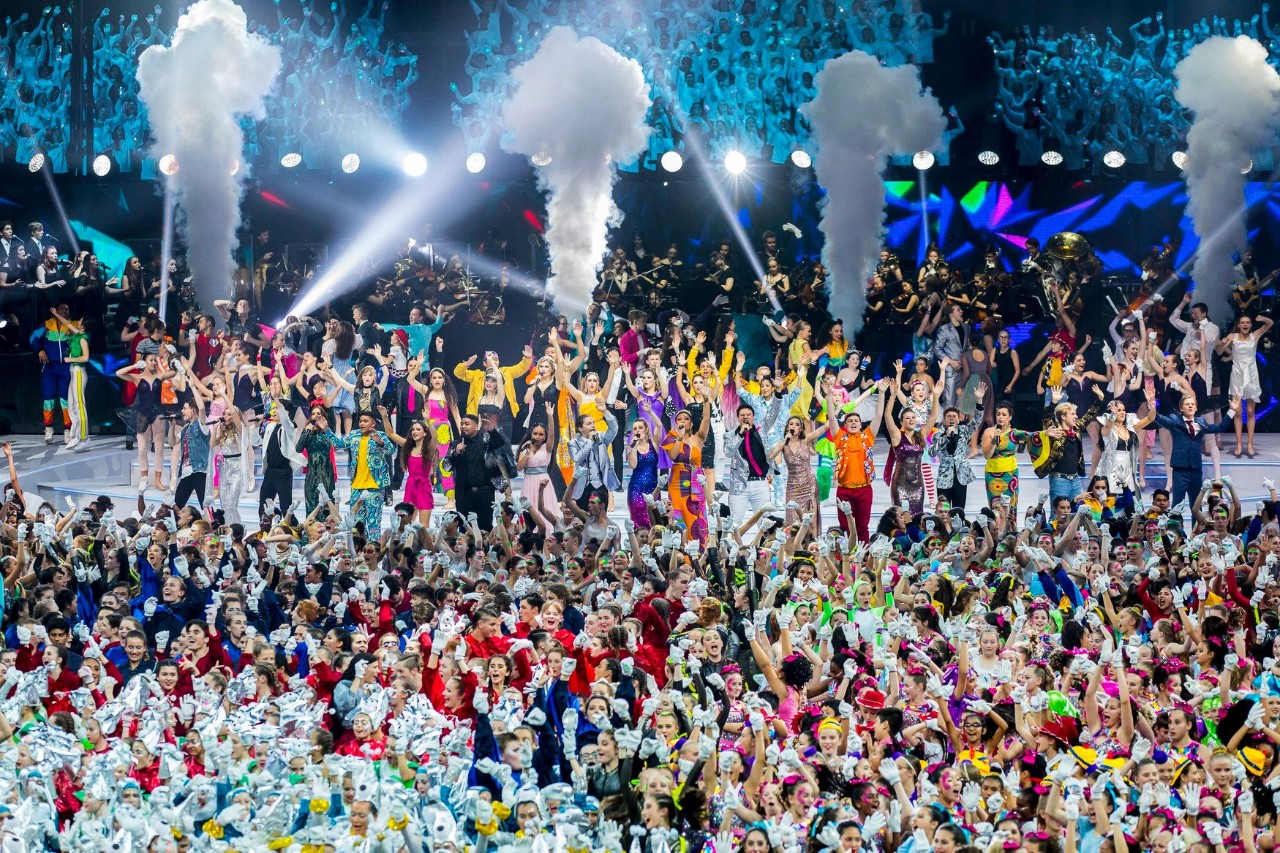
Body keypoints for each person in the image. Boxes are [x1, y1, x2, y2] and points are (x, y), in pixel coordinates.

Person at [1146, 384, 1239, 508]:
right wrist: (1152, 406)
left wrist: (1232, 410)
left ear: (1196, 408)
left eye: (1192, 404)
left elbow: (1220, 427)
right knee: (1177, 505)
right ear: (1181, 408)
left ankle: (1198, 527)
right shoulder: (1175, 421)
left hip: (1195, 471)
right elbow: (1158, 418)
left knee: (1197, 506)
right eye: (1187, 404)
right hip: (1180, 470)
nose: (1190, 406)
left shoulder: (1201, 423)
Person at [827, 381, 887, 542]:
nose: (853, 423)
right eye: (850, 421)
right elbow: (832, 417)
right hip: (844, 490)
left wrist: (881, 393)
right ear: (845, 425)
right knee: (845, 527)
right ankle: (845, 559)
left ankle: (863, 558)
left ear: (861, 425)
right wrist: (827, 396)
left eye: (856, 421)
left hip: (864, 490)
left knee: (862, 526)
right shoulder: (840, 437)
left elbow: (879, 416)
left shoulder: (867, 436)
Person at [1215, 313, 1273, 457]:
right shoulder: (1232, 336)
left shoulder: (1255, 336)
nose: (1245, 325)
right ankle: (1239, 445)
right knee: (1238, 412)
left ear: (1250, 325)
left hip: (1251, 375)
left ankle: (1250, 444)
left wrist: (1262, 319)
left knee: (1251, 411)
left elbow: (1270, 323)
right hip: (1237, 375)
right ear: (1239, 325)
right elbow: (1219, 351)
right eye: (1243, 322)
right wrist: (1222, 344)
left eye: (1248, 322)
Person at [883, 377, 941, 513]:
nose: (911, 420)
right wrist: (892, 395)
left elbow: (933, 417)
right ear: (902, 421)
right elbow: (887, 416)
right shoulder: (897, 436)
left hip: (917, 486)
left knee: (917, 520)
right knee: (902, 519)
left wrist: (936, 396)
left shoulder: (921, 435)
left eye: (913, 417)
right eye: (907, 418)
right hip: (900, 485)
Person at [449, 413, 515, 531]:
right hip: (464, 494)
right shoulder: (456, 444)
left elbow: (499, 443)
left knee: (485, 526)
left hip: (485, 492)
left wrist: (491, 430)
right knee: (465, 528)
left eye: (467, 424)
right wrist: (456, 453)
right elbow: (446, 465)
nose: (463, 426)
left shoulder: (485, 440)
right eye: (462, 424)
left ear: (476, 426)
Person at [336, 411, 395, 538]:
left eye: (365, 421)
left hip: (375, 487)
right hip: (357, 487)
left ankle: (374, 552)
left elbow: (391, 450)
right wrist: (326, 430)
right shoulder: (354, 435)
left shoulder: (380, 435)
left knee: (373, 524)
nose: (362, 423)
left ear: (373, 423)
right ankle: (358, 552)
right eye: (361, 421)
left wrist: (380, 442)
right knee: (357, 525)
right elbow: (338, 443)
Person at [931, 385, 985, 512]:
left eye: (954, 416)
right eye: (948, 416)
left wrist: (979, 401)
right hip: (944, 480)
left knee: (959, 511)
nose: (951, 418)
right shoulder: (938, 434)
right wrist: (946, 436)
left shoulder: (964, 430)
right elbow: (932, 452)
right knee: (943, 511)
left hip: (960, 478)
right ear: (944, 419)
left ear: (958, 418)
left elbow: (977, 420)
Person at [727, 403, 772, 529]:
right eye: (742, 415)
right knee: (734, 524)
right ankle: (735, 548)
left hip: (760, 483)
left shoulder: (761, 432)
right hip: (739, 485)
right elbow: (728, 452)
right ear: (738, 417)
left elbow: (773, 413)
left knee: (766, 524)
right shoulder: (730, 435)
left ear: (753, 417)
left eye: (748, 415)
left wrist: (778, 394)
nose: (745, 417)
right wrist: (740, 434)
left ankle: (763, 548)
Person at [568, 408, 620, 513]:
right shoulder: (573, 443)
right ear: (580, 428)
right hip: (582, 487)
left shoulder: (601, 437)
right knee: (583, 518)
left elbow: (614, 429)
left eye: (593, 423)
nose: (593, 425)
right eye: (589, 423)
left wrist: (605, 412)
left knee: (600, 518)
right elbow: (577, 458)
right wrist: (590, 442)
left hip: (600, 485)